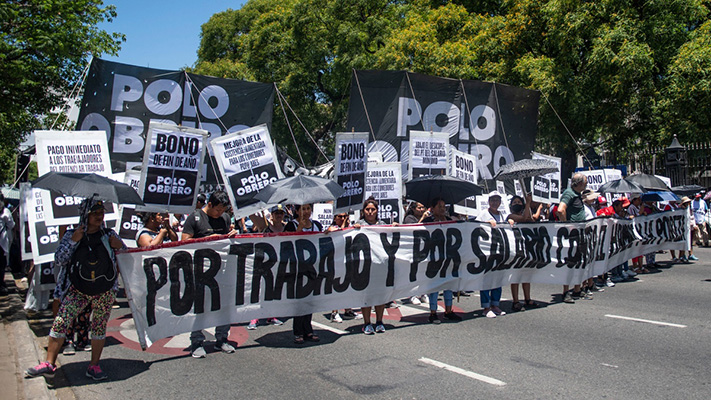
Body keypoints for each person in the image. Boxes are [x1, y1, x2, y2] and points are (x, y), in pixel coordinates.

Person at [26, 198, 124, 381]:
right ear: (84, 215)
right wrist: (73, 241)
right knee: (61, 322)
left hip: (104, 290)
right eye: (94, 213)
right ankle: (49, 364)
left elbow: (126, 259)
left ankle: (94, 366)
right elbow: (59, 260)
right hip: (77, 290)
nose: (99, 216)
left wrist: (120, 246)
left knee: (99, 327)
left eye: (101, 212)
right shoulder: (72, 234)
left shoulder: (110, 235)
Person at [181, 191, 239, 358]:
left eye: (223, 210)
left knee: (224, 306)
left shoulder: (226, 218)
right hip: (201, 271)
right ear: (210, 204)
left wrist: (232, 235)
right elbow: (184, 241)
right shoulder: (195, 217)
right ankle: (197, 341)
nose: (220, 214)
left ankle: (222, 338)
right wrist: (206, 240)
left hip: (222, 269)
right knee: (200, 306)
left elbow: (228, 237)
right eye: (217, 210)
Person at [284, 203, 323, 343]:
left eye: (308, 208)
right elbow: (285, 243)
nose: (306, 212)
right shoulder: (291, 225)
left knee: (310, 301)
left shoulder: (317, 225)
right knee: (299, 301)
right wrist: (299, 229)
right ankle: (298, 331)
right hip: (297, 269)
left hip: (313, 268)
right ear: (297, 211)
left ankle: (308, 330)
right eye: (303, 209)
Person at [352, 198, 391, 333]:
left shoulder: (382, 224)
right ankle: (367, 323)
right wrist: (353, 229)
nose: (370, 212)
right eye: (367, 209)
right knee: (367, 295)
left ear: (377, 211)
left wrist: (395, 227)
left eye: (373, 209)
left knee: (380, 295)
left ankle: (379, 321)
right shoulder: (359, 224)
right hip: (365, 266)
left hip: (380, 266)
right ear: (363, 211)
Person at [422, 197, 463, 323]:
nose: (442, 209)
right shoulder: (428, 221)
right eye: (439, 206)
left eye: (444, 206)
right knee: (434, 286)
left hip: (449, 257)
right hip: (433, 257)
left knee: (448, 284)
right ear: (432, 208)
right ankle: (433, 312)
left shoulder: (450, 220)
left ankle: (448, 311)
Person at [556, 173, 588, 303]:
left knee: (579, 261)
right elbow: (560, 210)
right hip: (573, 234)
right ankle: (566, 292)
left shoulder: (577, 194)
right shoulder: (569, 194)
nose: (586, 185)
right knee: (570, 262)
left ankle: (577, 289)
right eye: (585, 183)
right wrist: (567, 226)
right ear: (579, 184)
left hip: (579, 233)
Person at [476, 192, 506, 318]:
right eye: (492, 200)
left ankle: (495, 305)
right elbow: (475, 228)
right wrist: (486, 224)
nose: (495, 202)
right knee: (486, 279)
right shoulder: (483, 214)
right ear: (488, 201)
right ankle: (486, 307)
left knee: (498, 279)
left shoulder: (501, 215)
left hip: (499, 252)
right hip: (486, 252)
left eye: (497, 200)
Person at [506, 194, 539, 311]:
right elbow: (524, 219)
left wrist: (529, 205)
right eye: (514, 202)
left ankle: (527, 298)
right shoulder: (511, 216)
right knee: (516, 275)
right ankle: (515, 301)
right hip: (515, 249)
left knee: (526, 274)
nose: (517, 204)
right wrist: (528, 203)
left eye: (519, 202)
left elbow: (531, 219)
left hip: (527, 248)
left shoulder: (526, 212)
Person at [402, 202, 429, 305]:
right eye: (419, 207)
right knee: (414, 272)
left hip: (424, 247)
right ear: (413, 209)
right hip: (412, 249)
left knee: (423, 272)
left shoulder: (425, 217)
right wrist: (422, 218)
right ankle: (413, 295)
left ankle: (423, 293)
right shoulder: (409, 218)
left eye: (423, 207)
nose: (421, 209)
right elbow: (414, 229)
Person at [0, 193, 15, 296]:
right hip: (2, 241)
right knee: (1, 264)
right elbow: (11, 224)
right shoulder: (5, 212)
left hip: (2, 240)